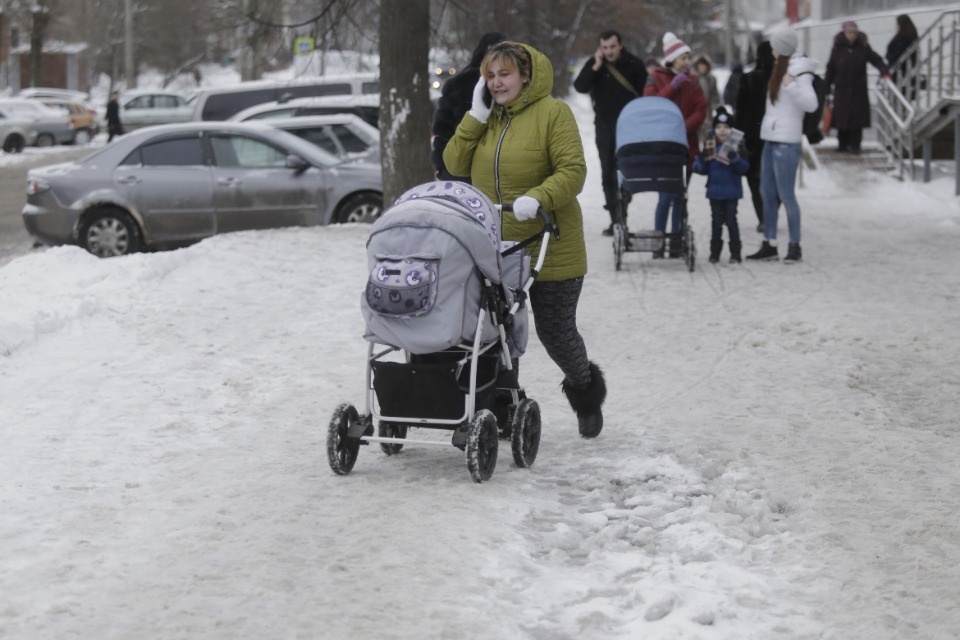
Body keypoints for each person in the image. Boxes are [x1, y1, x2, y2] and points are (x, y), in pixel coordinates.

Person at [443, 41, 607, 438]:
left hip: (551, 242)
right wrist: (474, 116)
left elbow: (573, 170)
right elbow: (453, 164)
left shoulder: (554, 113)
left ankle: (585, 391)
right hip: (496, 248)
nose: (496, 83)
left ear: (526, 75)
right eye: (490, 76)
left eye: (505, 74)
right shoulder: (487, 118)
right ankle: (503, 405)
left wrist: (538, 197)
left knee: (556, 333)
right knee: (495, 334)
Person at [745, 27, 818, 264]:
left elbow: (811, 104)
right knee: (767, 193)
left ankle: (795, 246)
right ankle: (770, 243)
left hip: (787, 142)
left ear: (782, 49)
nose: (772, 50)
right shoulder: (779, 68)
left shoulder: (799, 72)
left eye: (775, 46)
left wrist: (790, 85)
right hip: (771, 138)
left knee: (787, 196)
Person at [573, 30, 647, 236]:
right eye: (605, 48)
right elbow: (580, 86)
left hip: (629, 126)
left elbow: (646, 94)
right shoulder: (596, 63)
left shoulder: (634, 64)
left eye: (612, 47)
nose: (609, 51)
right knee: (607, 171)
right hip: (604, 126)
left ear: (620, 45)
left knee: (626, 170)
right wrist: (595, 66)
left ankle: (623, 213)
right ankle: (615, 219)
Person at [643, 32, 706, 258]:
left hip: (686, 146)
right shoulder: (656, 78)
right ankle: (659, 243)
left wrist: (683, 126)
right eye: (683, 58)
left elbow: (701, 110)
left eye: (688, 58)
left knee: (680, 196)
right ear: (671, 60)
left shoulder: (694, 81)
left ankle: (677, 243)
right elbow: (652, 104)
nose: (686, 62)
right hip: (664, 147)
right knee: (664, 197)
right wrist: (672, 87)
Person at [431, 32, 507, 180]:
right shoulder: (510, 86)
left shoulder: (457, 84)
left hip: (459, 175)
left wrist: (442, 169)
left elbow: (443, 132)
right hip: (496, 175)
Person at [824, 20, 891, 154]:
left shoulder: (863, 46)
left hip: (858, 89)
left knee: (856, 120)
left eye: (855, 32)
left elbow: (875, 59)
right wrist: (825, 87)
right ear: (844, 32)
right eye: (850, 32)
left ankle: (855, 146)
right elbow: (831, 68)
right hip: (841, 89)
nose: (853, 35)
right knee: (841, 119)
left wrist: (884, 71)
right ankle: (842, 145)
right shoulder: (837, 47)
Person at [692, 106, 749, 264]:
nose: (722, 131)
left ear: (731, 129)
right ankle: (715, 253)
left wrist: (735, 159)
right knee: (716, 223)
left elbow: (744, 168)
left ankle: (735, 253)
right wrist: (698, 165)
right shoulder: (710, 145)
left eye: (726, 127)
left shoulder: (738, 146)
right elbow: (705, 168)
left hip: (732, 192)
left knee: (731, 222)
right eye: (718, 127)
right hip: (715, 192)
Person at [735, 40, 775, 233]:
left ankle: (763, 217)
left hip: (752, 136)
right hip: (775, 134)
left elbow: (740, 111)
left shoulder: (749, 78)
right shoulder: (781, 78)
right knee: (775, 179)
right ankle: (771, 213)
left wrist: (735, 137)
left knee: (754, 180)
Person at [885, 14, 920, 99]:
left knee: (898, 99)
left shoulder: (902, 38)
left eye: (897, 25)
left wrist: (889, 57)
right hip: (907, 73)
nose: (896, 27)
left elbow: (897, 55)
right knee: (904, 99)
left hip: (900, 74)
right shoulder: (912, 37)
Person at [694, 54, 722, 143]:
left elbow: (715, 94)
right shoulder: (693, 78)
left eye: (704, 65)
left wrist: (718, 107)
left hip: (708, 111)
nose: (702, 67)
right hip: (695, 111)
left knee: (708, 135)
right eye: (700, 65)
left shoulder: (711, 79)